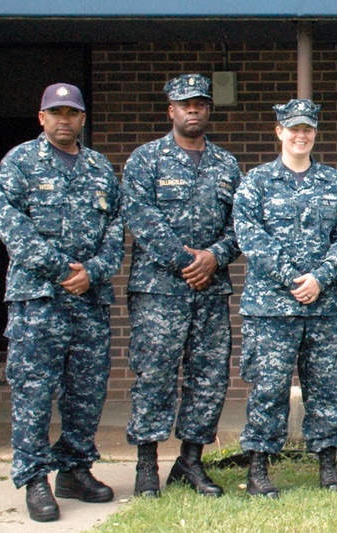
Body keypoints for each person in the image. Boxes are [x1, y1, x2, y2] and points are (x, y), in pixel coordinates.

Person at [0, 83, 124, 522]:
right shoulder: (20, 162)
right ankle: (35, 478)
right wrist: (62, 269)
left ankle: (74, 469)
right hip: (38, 301)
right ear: (42, 117)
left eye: (72, 113)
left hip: (89, 299)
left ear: (83, 118)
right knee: (34, 391)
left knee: (86, 391)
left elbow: (116, 228)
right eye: (56, 112)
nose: (64, 119)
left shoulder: (99, 168)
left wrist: (94, 272)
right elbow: (10, 224)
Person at [121, 74, 241, 498]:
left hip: (211, 290)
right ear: (170, 110)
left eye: (200, 103)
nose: (193, 110)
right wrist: (188, 261)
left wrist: (215, 256)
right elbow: (140, 218)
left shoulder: (227, 165)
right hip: (159, 290)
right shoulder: (145, 160)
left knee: (209, 378)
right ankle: (146, 466)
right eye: (185, 104)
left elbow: (240, 225)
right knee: (154, 376)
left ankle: (190, 462)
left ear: (209, 110)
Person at [233, 99, 337, 498]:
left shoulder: (334, 182)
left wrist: (320, 278)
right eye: (293, 128)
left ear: (315, 133)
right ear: (279, 132)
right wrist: (292, 277)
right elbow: (249, 235)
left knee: (327, 389)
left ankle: (327, 464)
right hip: (271, 309)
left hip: (325, 308)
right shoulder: (256, 182)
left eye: (307, 129)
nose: (300, 135)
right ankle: (259, 468)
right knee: (268, 389)